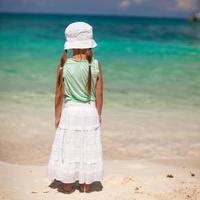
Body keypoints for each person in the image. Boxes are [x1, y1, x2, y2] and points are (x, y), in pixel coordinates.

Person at [47, 21, 104, 194]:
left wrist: (57, 116)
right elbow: (99, 94)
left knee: (69, 148)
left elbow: (58, 96)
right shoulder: (94, 64)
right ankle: (86, 183)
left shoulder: (63, 66)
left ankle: (67, 184)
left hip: (70, 111)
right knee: (87, 146)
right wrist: (98, 114)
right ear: (88, 43)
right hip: (89, 111)